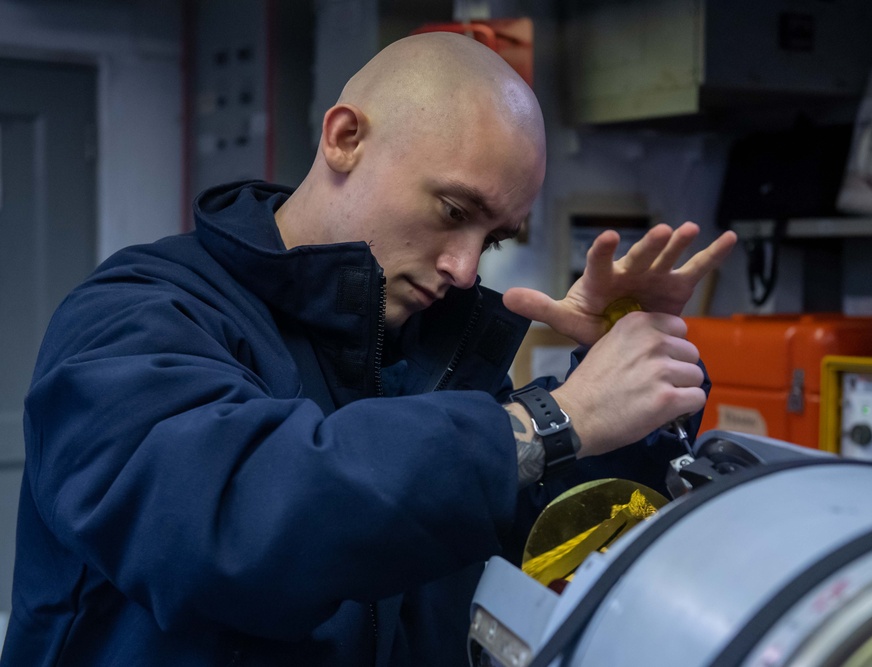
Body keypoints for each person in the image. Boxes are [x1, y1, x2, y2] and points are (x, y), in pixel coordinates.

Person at [0, 32, 736, 666]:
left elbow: (542, 536)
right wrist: (549, 419)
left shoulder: (426, 350)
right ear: (345, 137)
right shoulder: (136, 314)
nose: (465, 268)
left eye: (494, 237)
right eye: (453, 211)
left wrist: (631, 381)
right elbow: (228, 520)